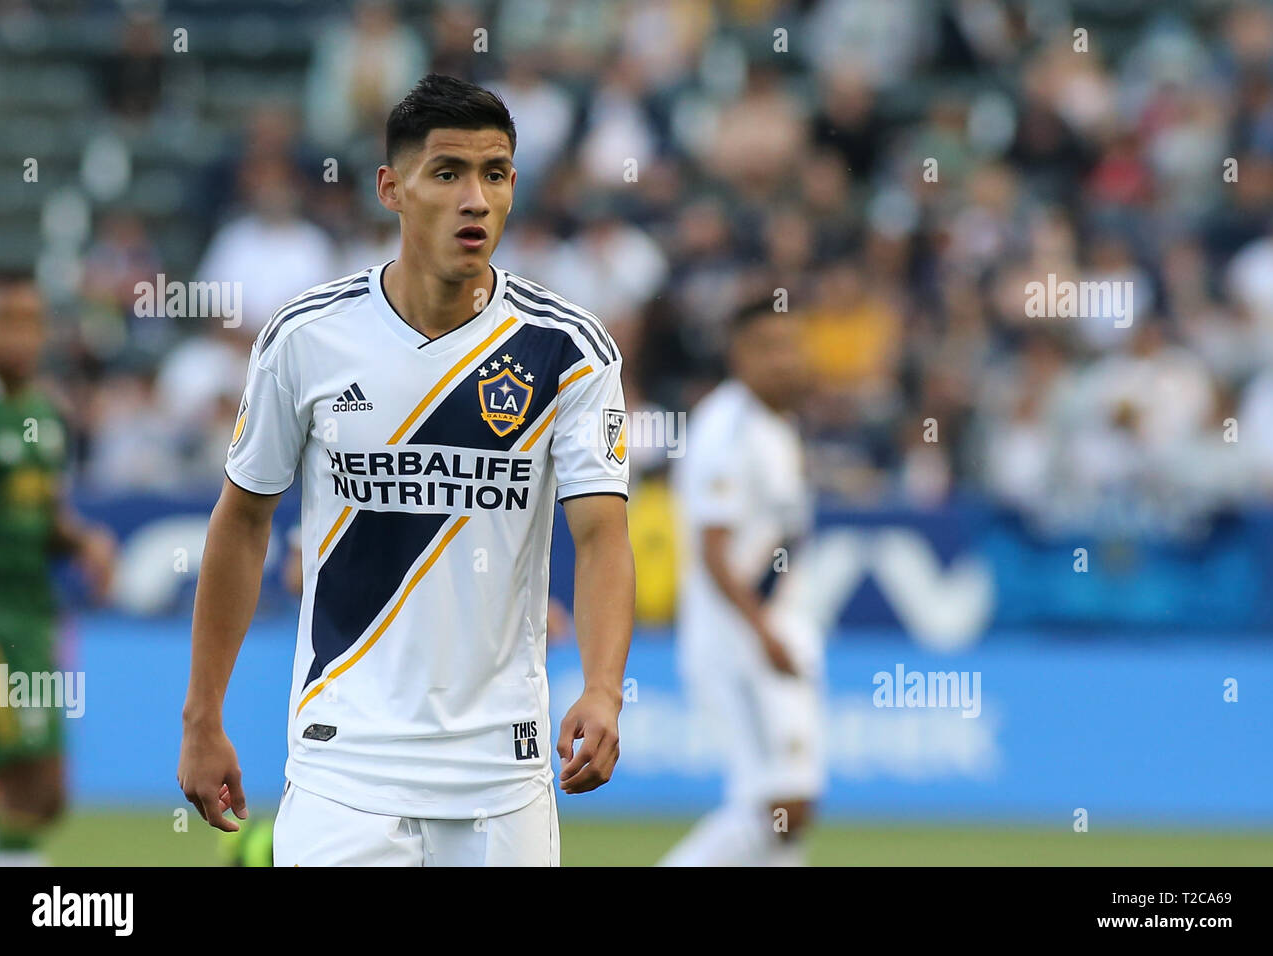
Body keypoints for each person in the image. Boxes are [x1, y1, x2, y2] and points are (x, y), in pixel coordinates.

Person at [178, 74, 635, 867]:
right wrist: (202, 717)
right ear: (392, 188)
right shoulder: (306, 337)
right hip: (343, 760)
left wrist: (601, 688)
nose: (476, 199)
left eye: (495, 175)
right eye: (449, 173)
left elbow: (600, 538)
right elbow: (244, 521)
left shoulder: (567, 350)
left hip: (503, 773)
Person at [660, 300, 826, 867]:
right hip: (741, 640)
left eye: (791, 345)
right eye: (769, 348)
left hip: (774, 629)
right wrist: (764, 634)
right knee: (781, 805)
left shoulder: (776, 426)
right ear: (740, 355)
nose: (785, 361)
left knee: (786, 821)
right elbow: (713, 551)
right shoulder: (725, 427)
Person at [0, 271, 116, 866]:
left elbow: (43, 511)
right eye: (7, 320)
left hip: (33, 616)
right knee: (24, 781)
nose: (24, 336)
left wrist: (83, 541)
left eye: (33, 322)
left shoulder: (43, 416)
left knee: (46, 795)